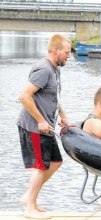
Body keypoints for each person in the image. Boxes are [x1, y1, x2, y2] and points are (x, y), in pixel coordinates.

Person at [17, 34, 71, 219]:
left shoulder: (55, 69)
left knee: (55, 162)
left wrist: (62, 115)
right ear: (55, 51)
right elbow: (24, 96)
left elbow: (51, 96)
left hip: (45, 125)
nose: (69, 56)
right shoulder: (43, 69)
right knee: (41, 166)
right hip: (34, 126)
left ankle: (29, 197)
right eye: (66, 52)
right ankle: (30, 208)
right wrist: (41, 120)